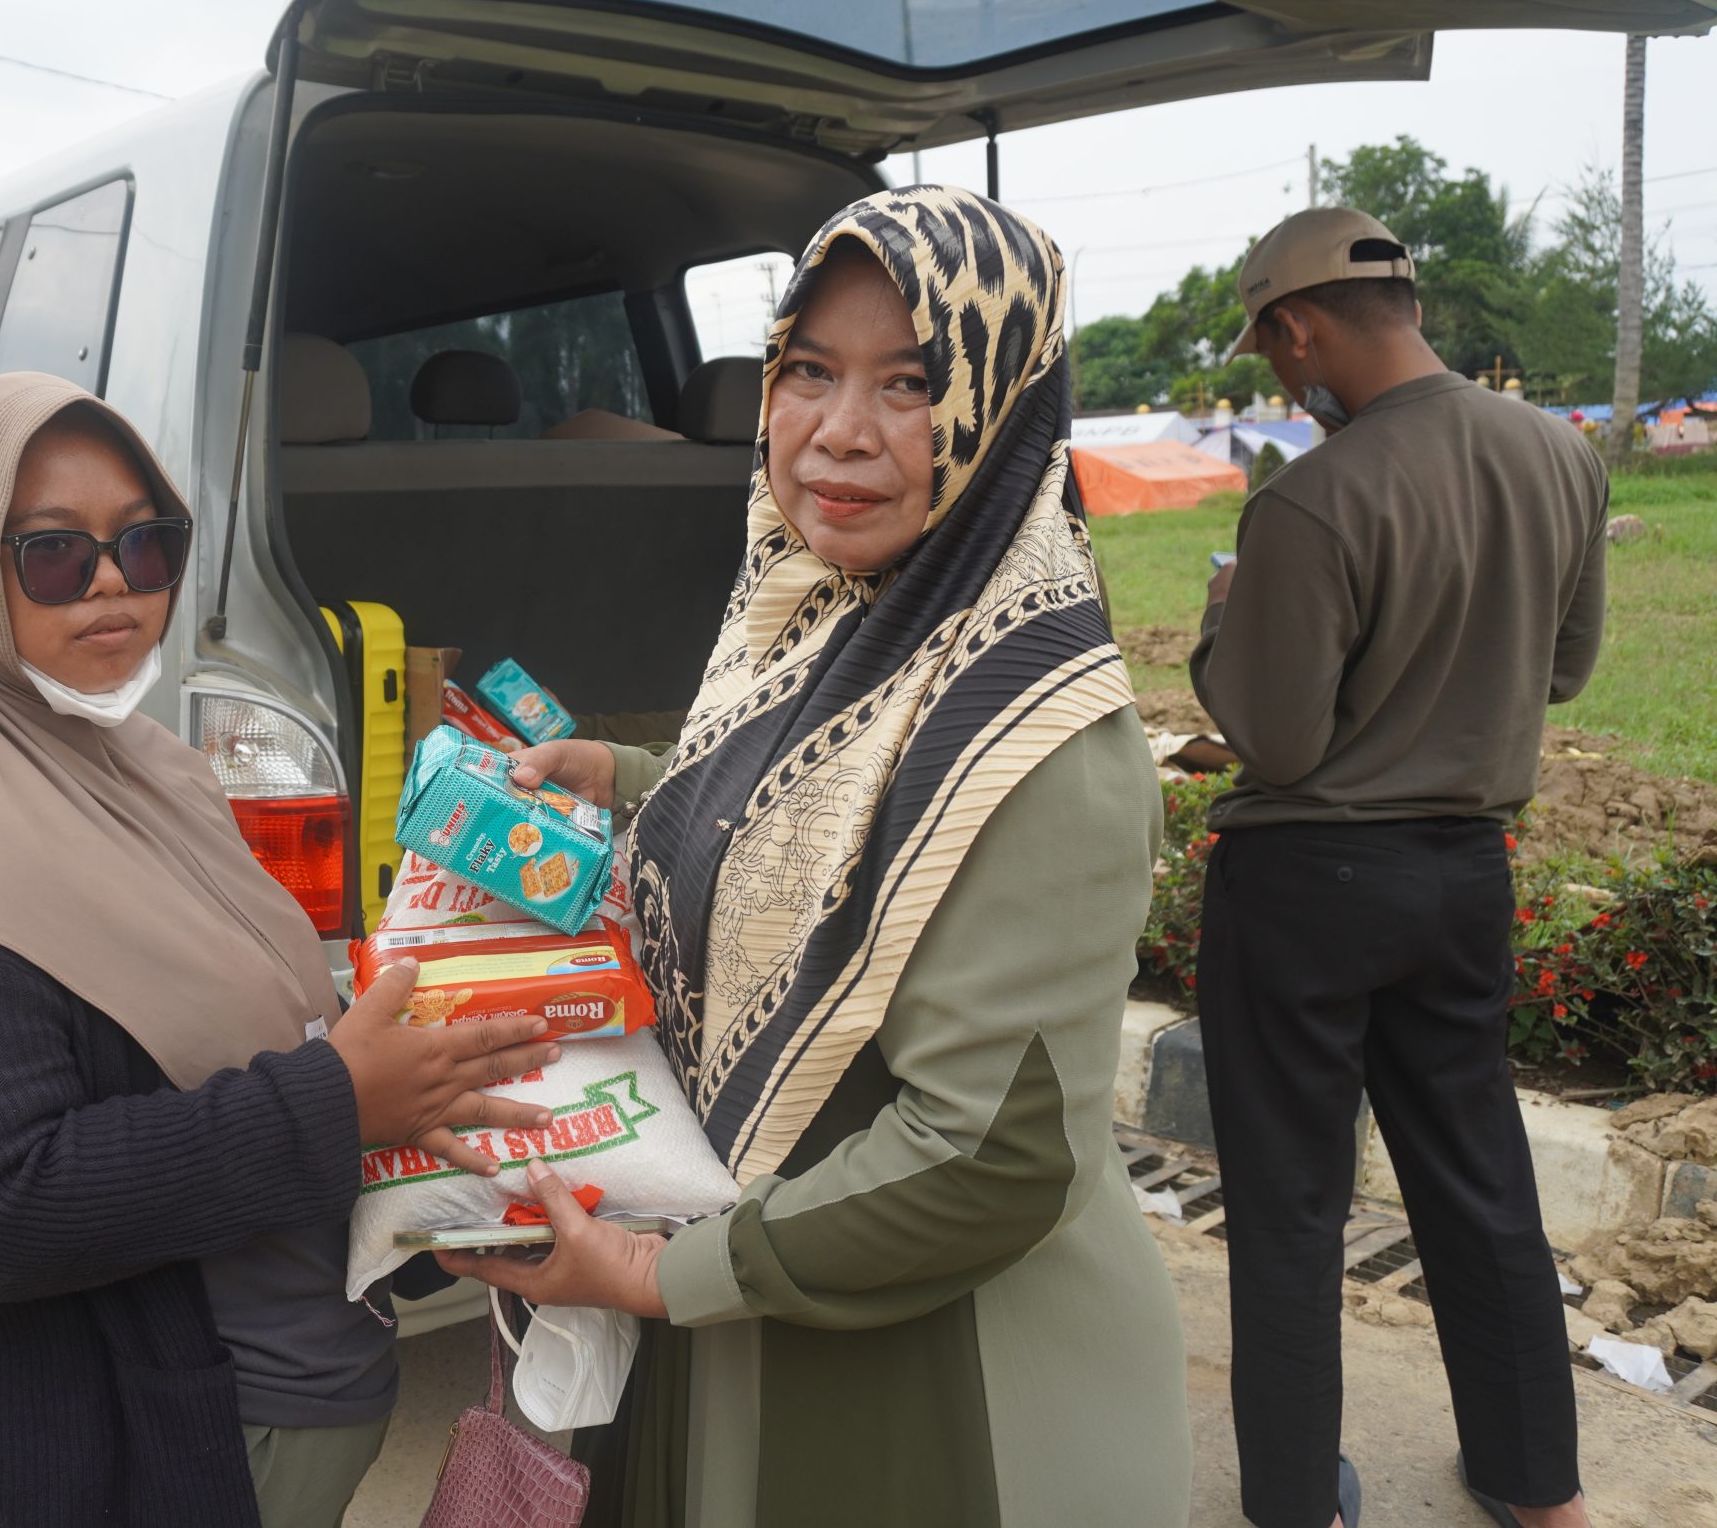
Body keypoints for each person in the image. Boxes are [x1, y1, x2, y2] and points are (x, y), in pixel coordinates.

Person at [442, 187, 1194, 1527]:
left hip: (928, 1388)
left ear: (1003, 412)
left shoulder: (1034, 737)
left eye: (910, 383)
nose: (840, 430)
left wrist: (653, 1275)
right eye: (808, 370)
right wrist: (627, 782)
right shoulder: (823, 614)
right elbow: (810, 819)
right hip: (754, 1293)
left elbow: (983, 1159)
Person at [0, 373, 561, 1528]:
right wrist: (333, 1102)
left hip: (283, 1397)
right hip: (131, 1460)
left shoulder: (151, 771)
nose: (112, 582)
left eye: (146, 542)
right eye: (51, 552)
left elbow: (253, 1045)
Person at [1188, 208, 1609, 1528]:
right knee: (1481, 1183)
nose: (1278, 376)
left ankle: (1296, 1500)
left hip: (1305, 887)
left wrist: (1222, 623)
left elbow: (1278, 738)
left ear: (1298, 328)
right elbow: (1563, 669)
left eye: (1271, 349)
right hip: (1465, 874)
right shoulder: (1562, 454)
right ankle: (1539, 1488)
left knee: (1291, 1204)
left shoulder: (1310, 497)